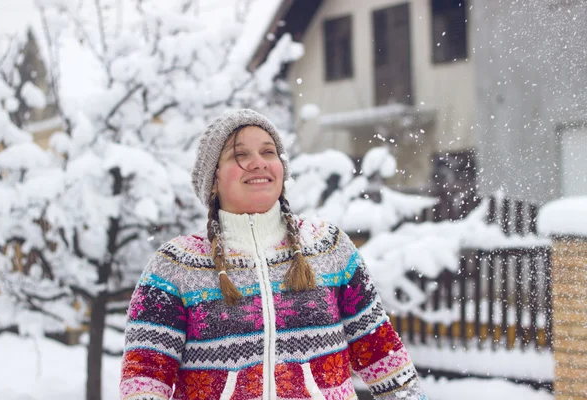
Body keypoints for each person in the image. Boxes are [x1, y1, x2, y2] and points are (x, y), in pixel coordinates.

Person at [120, 109, 428, 400]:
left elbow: (381, 352)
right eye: (240, 155)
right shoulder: (175, 265)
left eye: (268, 152)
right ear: (213, 180)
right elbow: (144, 379)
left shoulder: (328, 246)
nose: (258, 163)